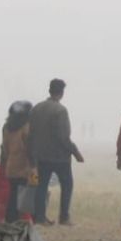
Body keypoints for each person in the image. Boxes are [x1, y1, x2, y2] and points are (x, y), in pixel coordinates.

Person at [28, 78, 84, 226]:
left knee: (41, 186)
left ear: (49, 90)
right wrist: (76, 152)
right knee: (67, 185)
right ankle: (64, 217)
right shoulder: (60, 110)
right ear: (62, 92)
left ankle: (39, 217)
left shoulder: (36, 108)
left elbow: (31, 134)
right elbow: (63, 137)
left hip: (40, 156)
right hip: (59, 158)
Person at [1, 100, 34, 223]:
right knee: (27, 192)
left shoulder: (7, 128)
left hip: (11, 166)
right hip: (25, 166)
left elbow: (5, 148)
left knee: (13, 194)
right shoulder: (26, 127)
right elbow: (30, 148)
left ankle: (10, 218)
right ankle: (24, 219)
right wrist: (34, 165)